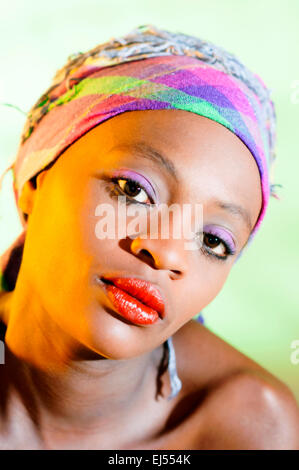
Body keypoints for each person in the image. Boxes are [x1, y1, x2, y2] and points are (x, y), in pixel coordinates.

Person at [0, 24, 298, 450]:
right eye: (134, 191)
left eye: (213, 240)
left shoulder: (246, 426)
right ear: (36, 180)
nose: (168, 252)